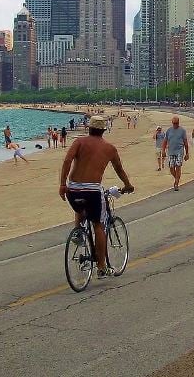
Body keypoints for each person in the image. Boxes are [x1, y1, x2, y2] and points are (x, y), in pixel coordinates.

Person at [59, 116, 134, 279]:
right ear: (103, 130)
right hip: (93, 191)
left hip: (73, 190)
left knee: (80, 208)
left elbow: (67, 161)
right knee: (98, 224)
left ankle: (78, 231)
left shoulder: (79, 142)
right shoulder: (110, 148)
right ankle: (101, 266)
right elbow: (119, 170)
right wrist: (128, 185)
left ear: (89, 128)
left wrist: (62, 184)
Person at [162, 115, 189, 191]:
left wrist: (187, 153)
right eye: (174, 123)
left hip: (179, 151)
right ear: (172, 123)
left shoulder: (182, 131)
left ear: (178, 122)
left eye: (176, 123)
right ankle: (177, 178)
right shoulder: (169, 130)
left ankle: (176, 183)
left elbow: (185, 142)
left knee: (178, 166)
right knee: (171, 167)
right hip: (171, 151)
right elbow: (165, 141)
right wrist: (163, 151)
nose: (175, 124)